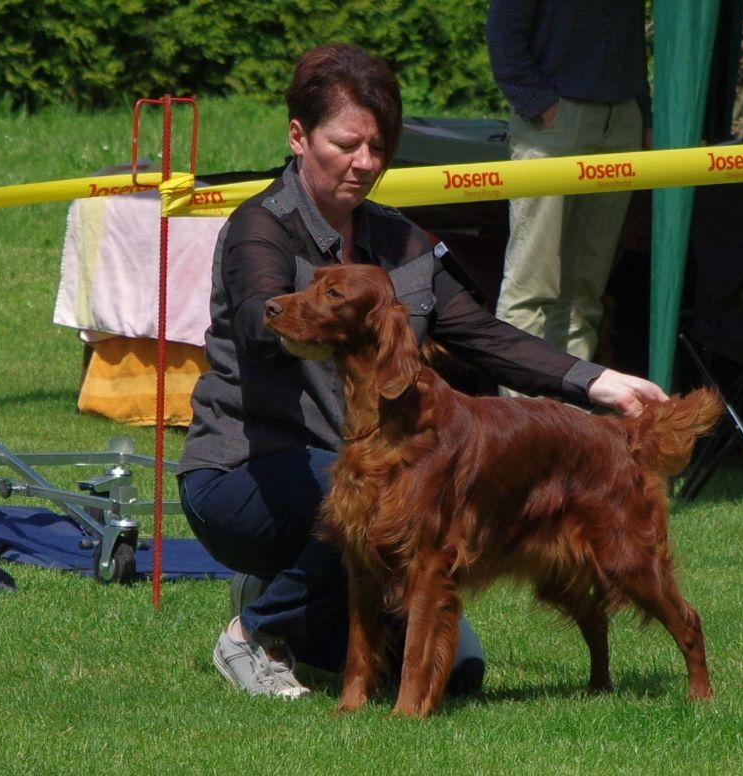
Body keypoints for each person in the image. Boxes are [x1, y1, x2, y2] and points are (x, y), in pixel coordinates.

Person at [177, 43, 670, 699]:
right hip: (246, 471)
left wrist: (593, 380)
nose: (364, 164)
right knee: (366, 495)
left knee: (460, 673)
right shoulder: (261, 229)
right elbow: (255, 320)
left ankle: (300, 591)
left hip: (362, 471)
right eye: (345, 144)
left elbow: (483, 334)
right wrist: (329, 326)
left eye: (377, 147)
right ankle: (253, 633)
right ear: (299, 136)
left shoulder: (398, 241)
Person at [486, 1, 652, 371]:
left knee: (584, 291)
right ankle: (525, 419)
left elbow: (630, 40)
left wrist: (642, 112)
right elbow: (503, 32)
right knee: (531, 285)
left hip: (620, 118)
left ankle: (571, 419)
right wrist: (538, 102)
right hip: (557, 123)